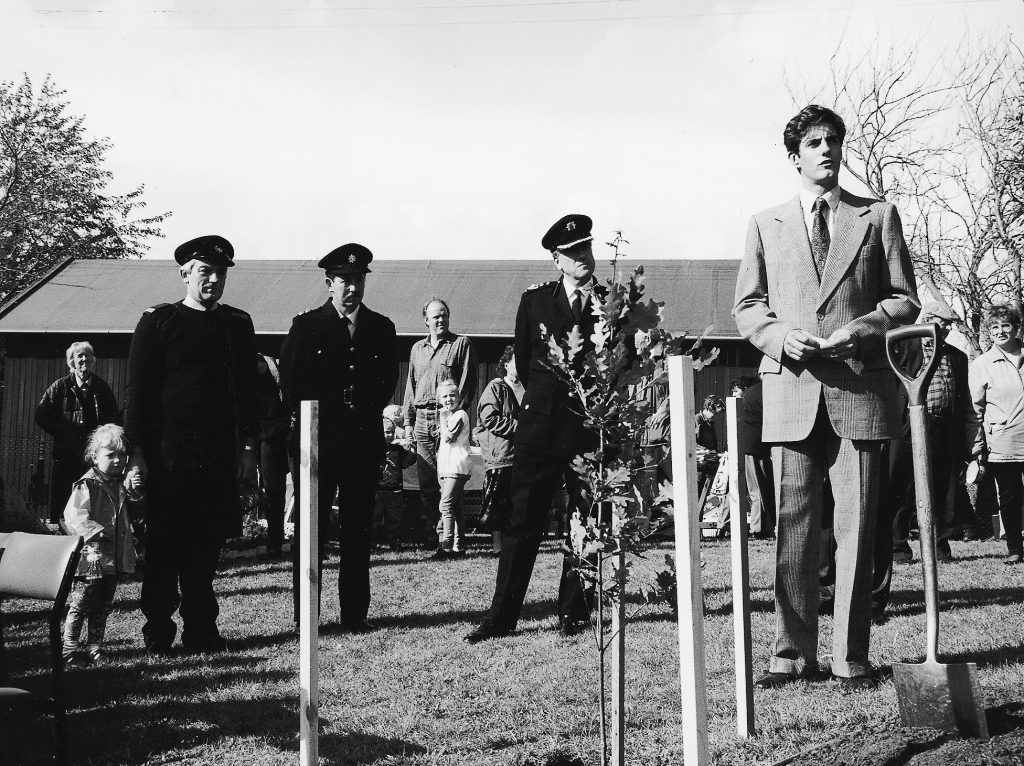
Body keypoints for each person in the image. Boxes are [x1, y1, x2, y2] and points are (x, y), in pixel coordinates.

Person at [733, 105, 919, 690]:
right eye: (813, 142)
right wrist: (783, 337)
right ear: (795, 155)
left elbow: (904, 301)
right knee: (792, 524)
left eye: (833, 140)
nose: (826, 149)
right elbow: (747, 307)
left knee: (858, 527)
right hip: (792, 392)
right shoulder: (765, 224)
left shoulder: (877, 216)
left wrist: (857, 331)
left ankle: (850, 654)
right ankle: (791, 653)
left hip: (859, 391)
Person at [465, 213, 604, 643]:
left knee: (586, 523)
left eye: (587, 247)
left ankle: (575, 614)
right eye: (573, 251)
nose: (583, 256)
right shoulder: (535, 301)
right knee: (522, 525)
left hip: (587, 431)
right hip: (540, 430)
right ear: (556, 260)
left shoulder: (612, 301)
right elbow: (524, 362)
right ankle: (502, 617)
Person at [124, 235, 260, 655]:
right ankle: (158, 632)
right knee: (165, 548)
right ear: (185, 273)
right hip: (170, 458)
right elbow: (138, 393)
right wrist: (137, 455)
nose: (214, 280)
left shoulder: (238, 324)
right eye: (205, 271)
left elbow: (248, 394)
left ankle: (202, 629)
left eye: (220, 273)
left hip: (218, 457)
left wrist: (248, 450)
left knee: (205, 550)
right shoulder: (159, 322)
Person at [279, 243, 399, 632]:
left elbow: (386, 383)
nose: (352, 288)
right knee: (311, 532)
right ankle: (306, 616)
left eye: (359, 280)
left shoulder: (381, 328)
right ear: (329, 283)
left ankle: (354, 614)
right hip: (319, 444)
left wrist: (360, 411)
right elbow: (292, 382)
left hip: (361, 443)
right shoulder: (307, 326)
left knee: (357, 530)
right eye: (345, 281)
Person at [888, 302, 969, 565]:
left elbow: (964, 399)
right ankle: (897, 546)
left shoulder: (957, 356)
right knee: (900, 484)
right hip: (906, 427)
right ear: (928, 319)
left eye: (950, 324)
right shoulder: (902, 346)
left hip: (942, 429)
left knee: (941, 487)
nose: (947, 328)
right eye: (943, 322)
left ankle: (938, 546)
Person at [62, 424, 144, 664]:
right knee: (81, 603)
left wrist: (136, 491)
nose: (118, 460)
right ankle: (69, 648)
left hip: (112, 559)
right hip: (90, 558)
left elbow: (136, 512)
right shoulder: (87, 484)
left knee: (103, 605)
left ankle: (94, 646)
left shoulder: (119, 484)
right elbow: (74, 515)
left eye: (122, 455)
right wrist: (95, 533)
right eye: (110, 455)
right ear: (94, 456)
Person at [402, 298, 478, 549]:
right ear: (426, 320)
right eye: (435, 316)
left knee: (449, 482)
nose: (441, 319)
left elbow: (467, 386)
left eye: (444, 314)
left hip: (446, 420)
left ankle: (455, 541)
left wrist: (455, 418)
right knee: (427, 485)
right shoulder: (416, 349)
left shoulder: (460, 345)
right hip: (422, 420)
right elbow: (410, 387)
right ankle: (439, 537)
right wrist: (408, 421)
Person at [36, 341, 120, 524]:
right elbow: (41, 415)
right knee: (64, 504)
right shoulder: (59, 387)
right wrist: (65, 430)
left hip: (92, 457)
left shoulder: (101, 387)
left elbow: (113, 418)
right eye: (79, 356)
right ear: (71, 361)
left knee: (90, 502)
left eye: (87, 355)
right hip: (66, 455)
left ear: (93, 360)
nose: (83, 359)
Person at [966, 304, 1024, 565]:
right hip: (1003, 441)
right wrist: (977, 446)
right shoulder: (982, 364)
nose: (1000, 331)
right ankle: (1015, 548)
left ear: (1016, 328)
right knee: (1010, 496)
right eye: (994, 327)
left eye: (1006, 326)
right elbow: (975, 409)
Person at [475, 345, 523, 553]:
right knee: (497, 504)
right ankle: (497, 547)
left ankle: (513, 545)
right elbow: (489, 418)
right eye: (517, 359)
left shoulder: (527, 388)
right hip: (501, 456)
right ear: (506, 364)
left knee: (517, 505)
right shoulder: (496, 387)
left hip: (521, 456)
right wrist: (521, 428)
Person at [430, 379, 473, 559]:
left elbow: (449, 438)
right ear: (439, 399)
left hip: (457, 466)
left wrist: (442, 418)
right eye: (445, 396)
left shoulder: (460, 415)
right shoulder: (449, 417)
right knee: (455, 507)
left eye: (452, 395)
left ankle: (446, 546)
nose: (449, 399)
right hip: (446, 467)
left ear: (459, 397)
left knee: (445, 505)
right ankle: (459, 546)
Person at [254, 352, 290, 557]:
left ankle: (305, 540)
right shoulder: (259, 364)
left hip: (289, 431)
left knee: (303, 487)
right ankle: (275, 541)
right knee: (273, 491)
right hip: (269, 435)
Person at [738, 376, 776, 539]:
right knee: (759, 489)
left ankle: (762, 526)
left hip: (751, 445)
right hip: (757, 445)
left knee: (758, 488)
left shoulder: (750, 393)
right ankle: (759, 527)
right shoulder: (765, 391)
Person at [375, 411, 415, 551]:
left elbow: (407, 462)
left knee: (395, 520)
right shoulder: (373, 449)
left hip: (395, 491)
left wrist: (412, 450)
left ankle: (395, 544)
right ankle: (371, 544)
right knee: (375, 519)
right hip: (378, 491)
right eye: (387, 432)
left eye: (392, 432)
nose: (390, 435)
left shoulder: (397, 449)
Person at [695, 394, 725, 498]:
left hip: (709, 459)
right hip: (699, 461)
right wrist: (706, 451)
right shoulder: (697, 420)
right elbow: (693, 443)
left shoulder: (710, 423)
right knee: (698, 491)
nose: (716, 416)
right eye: (715, 413)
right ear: (709, 408)